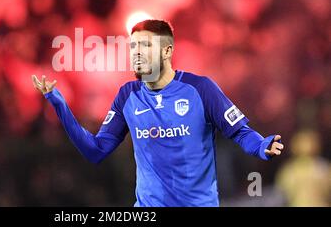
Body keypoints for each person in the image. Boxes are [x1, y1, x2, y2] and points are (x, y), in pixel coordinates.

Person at [32, 19, 284, 207]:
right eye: (133, 47)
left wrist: (262, 145)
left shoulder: (200, 89)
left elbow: (239, 131)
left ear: (167, 51)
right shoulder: (127, 95)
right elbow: (96, 151)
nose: (136, 53)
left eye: (145, 46)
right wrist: (59, 105)